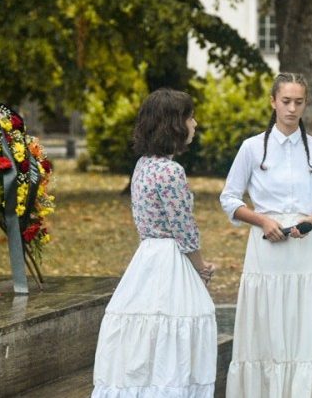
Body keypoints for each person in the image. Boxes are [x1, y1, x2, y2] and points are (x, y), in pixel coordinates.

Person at [220, 72, 312, 398]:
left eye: (298, 102)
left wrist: (310, 220)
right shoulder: (251, 149)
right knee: (266, 327)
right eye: (286, 101)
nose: (291, 108)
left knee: (304, 328)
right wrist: (262, 220)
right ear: (273, 101)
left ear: (305, 104)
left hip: (306, 252)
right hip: (266, 252)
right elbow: (229, 198)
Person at [92, 88, 217, 397]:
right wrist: (201, 267)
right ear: (174, 124)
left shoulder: (143, 165)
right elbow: (183, 229)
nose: (195, 124)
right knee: (171, 337)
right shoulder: (171, 171)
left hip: (147, 256)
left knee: (148, 338)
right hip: (169, 260)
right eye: (190, 117)